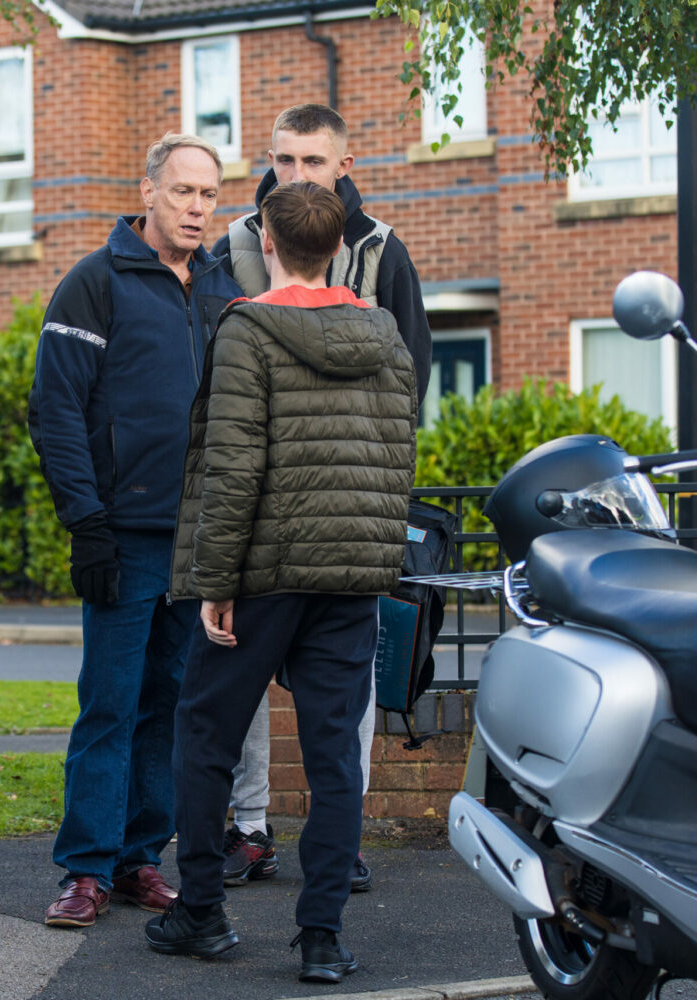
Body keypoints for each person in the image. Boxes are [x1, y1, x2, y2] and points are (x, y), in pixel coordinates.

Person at [147, 180, 419, 983]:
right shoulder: (387, 335)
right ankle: (324, 937)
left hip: (262, 573)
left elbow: (233, 468)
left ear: (266, 242)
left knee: (205, 733)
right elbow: (398, 453)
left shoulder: (249, 329)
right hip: (351, 577)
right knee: (337, 754)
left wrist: (215, 580)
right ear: (339, 247)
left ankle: (200, 911)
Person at [208, 103, 432, 893]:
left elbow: (411, 384)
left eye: (312, 161)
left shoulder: (380, 251)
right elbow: (217, 385)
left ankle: (340, 844)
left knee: (344, 708)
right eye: (284, 160)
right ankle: (248, 828)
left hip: (343, 514)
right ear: (266, 160)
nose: (296, 175)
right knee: (241, 703)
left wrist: (367, 490)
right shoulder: (234, 244)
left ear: (344, 162)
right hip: (263, 516)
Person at [28, 134, 242, 929]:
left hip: (201, 541)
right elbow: (55, 413)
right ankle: (83, 869)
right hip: (122, 536)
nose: (195, 208)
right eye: (182, 191)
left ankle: (138, 861)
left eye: (208, 196)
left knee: (173, 708)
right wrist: (87, 526)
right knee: (110, 706)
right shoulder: (94, 283)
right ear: (147, 190)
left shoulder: (224, 289)